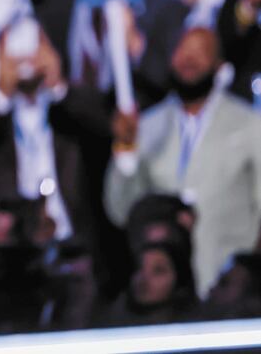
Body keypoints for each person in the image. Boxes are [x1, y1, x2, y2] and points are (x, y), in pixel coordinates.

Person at [104, 27, 261, 296]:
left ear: (219, 66)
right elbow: (121, 210)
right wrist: (125, 150)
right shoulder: (146, 126)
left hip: (231, 289)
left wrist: (249, 274)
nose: (189, 60)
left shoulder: (250, 125)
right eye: (183, 51)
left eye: (200, 53)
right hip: (166, 294)